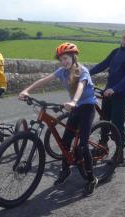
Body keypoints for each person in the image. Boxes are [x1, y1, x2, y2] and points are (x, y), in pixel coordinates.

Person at [18, 42, 98, 195]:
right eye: (61, 59)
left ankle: (91, 178)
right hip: (74, 107)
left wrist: (74, 101)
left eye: (66, 58)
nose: (64, 62)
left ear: (73, 57)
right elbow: (44, 80)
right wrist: (26, 90)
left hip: (87, 106)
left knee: (82, 146)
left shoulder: (83, 71)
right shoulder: (62, 71)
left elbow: (81, 86)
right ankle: (65, 170)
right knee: (65, 142)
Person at [89, 28, 125, 160]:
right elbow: (102, 65)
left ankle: (119, 152)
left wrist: (115, 89)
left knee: (117, 124)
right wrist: (85, 74)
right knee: (104, 120)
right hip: (108, 92)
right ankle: (103, 145)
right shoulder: (115, 52)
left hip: (120, 94)